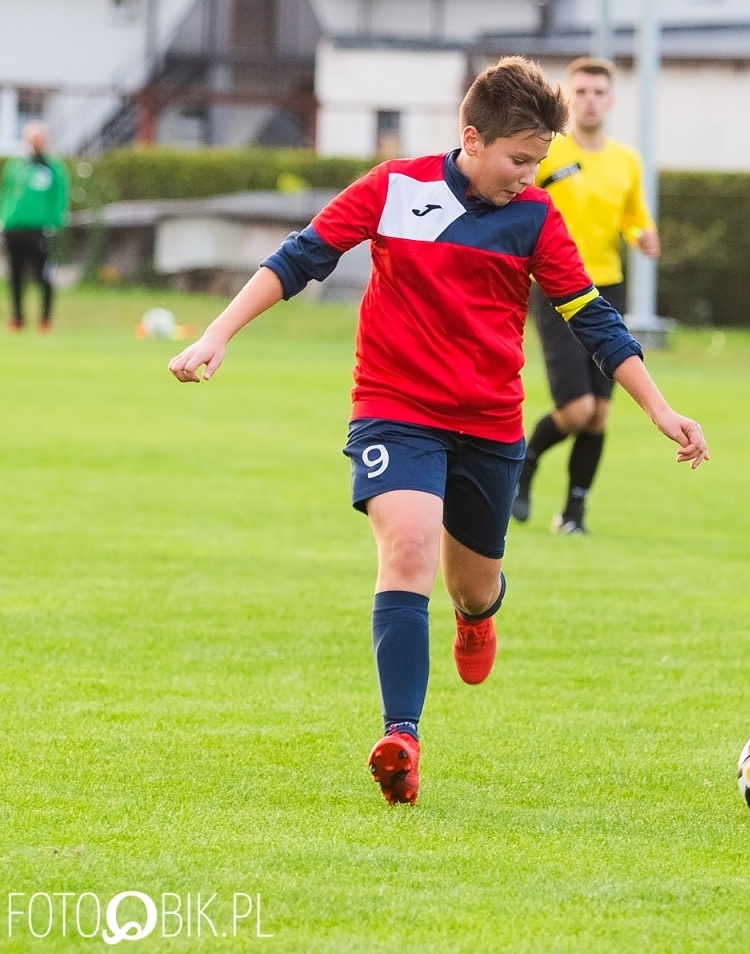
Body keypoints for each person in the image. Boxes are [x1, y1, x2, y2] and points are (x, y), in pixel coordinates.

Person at [167, 57, 709, 804]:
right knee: (410, 545)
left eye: (539, 161)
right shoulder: (395, 187)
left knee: (474, 584)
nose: (528, 174)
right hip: (395, 407)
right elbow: (300, 258)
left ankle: (476, 617)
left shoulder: (537, 218)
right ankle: (402, 739)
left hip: (489, 424)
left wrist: (659, 407)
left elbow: (593, 318)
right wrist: (217, 335)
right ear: (472, 138)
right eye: (519, 159)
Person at [512, 57, 660, 535]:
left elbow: (634, 217)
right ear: (568, 99)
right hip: (555, 287)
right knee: (576, 410)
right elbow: (519, 200)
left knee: (599, 415)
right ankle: (525, 464)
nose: (589, 100)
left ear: (610, 101)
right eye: (581, 92)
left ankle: (574, 514)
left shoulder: (626, 161)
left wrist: (642, 235)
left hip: (606, 287)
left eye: (598, 92)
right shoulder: (548, 154)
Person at [1, 122, 70, 332]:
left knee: (43, 276)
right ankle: (17, 318)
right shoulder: (16, 166)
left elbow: (59, 198)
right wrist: (4, 218)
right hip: (14, 227)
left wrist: (54, 222)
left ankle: (45, 320)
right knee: (15, 275)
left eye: (38, 138)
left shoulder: (52, 168)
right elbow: (7, 194)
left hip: (39, 229)